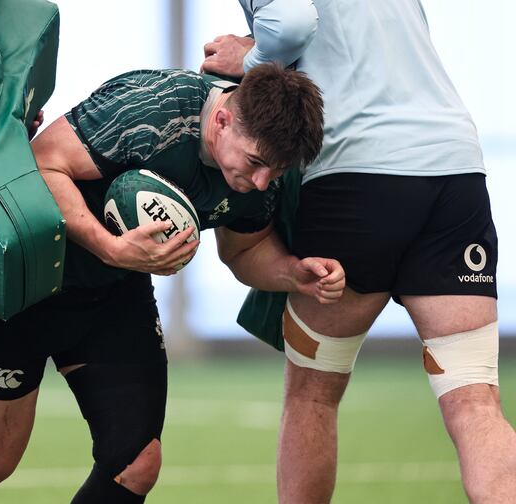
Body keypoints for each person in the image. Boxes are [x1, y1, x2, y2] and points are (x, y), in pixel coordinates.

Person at [0, 62, 340, 503]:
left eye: (273, 174)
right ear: (222, 120)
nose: (260, 182)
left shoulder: (263, 172)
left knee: (135, 464)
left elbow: (243, 252)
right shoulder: (150, 110)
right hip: (28, 288)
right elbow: (43, 165)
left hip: (114, 297)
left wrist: (293, 273)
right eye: (256, 163)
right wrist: (109, 246)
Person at [203, 1, 516, 502]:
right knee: (475, 399)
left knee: (312, 395)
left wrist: (252, 58)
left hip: (357, 173)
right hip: (453, 170)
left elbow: (292, 23)